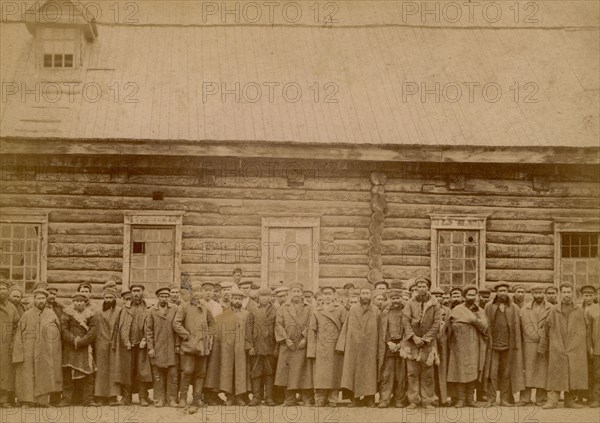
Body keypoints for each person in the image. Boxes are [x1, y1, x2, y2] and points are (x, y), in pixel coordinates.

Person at [539, 283, 589, 409]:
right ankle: (552, 401)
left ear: (573, 294)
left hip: (574, 348)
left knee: (572, 373)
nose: (567, 295)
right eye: (564, 292)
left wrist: (583, 346)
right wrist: (543, 347)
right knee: (555, 372)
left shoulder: (579, 311)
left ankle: (570, 401)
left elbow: (587, 328)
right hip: (557, 346)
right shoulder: (554, 310)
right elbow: (545, 328)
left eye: (569, 292)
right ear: (561, 294)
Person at [12, 288, 62, 407]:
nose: (41, 300)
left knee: (44, 374)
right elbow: (18, 334)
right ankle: (27, 401)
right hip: (28, 350)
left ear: (46, 299)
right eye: (38, 298)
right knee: (27, 375)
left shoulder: (51, 314)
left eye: (43, 298)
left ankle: (42, 401)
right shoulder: (27, 314)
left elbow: (58, 334)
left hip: (45, 351)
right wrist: (19, 353)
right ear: (34, 299)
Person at [204, 286, 251, 406]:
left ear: (242, 300)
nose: (237, 301)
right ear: (231, 299)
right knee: (227, 372)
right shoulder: (224, 313)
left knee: (240, 372)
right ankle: (229, 397)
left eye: (239, 299)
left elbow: (249, 331)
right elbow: (219, 332)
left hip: (241, 349)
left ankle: (239, 397)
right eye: (235, 298)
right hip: (227, 348)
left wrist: (248, 345)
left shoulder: (247, 314)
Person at [400, 277, 442, 410]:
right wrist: (413, 337)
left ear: (428, 287)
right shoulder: (410, 304)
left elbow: (437, 323)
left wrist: (426, 338)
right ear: (416, 288)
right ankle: (413, 400)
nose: (421, 288)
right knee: (412, 373)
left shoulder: (435, 304)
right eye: (419, 286)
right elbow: (406, 321)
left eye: (424, 286)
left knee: (428, 373)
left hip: (428, 344)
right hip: (412, 344)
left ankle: (428, 400)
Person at [173, 281, 216, 407]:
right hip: (188, 346)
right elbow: (176, 324)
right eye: (195, 291)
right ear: (191, 292)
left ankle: (197, 399)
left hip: (202, 347)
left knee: (200, 373)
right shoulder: (184, 307)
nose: (197, 294)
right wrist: (187, 336)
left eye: (199, 291)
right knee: (187, 371)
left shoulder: (205, 307)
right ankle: (183, 398)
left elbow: (212, 323)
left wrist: (208, 336)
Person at [336, 286, 379, 408]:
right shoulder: (353, 309)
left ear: (371, 296)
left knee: (369, 372)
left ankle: (369, 398)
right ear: (360, 296)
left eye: (367, 293)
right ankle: (354, 399)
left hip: (370, 346)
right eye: (363, 293)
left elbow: (380, 328)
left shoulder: (376, 310)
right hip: (354, 346)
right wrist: (341, 345)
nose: (365, 296)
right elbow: (346, 327)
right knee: (352, 372)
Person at [483, 282, 525, 406]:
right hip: (493, 346)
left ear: (508, 292)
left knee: (506, 373)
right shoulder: (489, 307)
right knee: (492, 373)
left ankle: (505, 399)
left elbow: (518, 328)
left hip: (509, 346)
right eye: (500, 291)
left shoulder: (514, 308)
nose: (503, 293)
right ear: (496, 292)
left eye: (505, 291)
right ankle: (491, 399)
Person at [446, 285, 488, 408]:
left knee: (472, 371)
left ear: (476, 296)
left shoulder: (480, 311)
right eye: (469, 295)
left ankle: (470, 399)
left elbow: (485, 327)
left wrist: (473, 320)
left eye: (473, 295)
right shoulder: (457, 309)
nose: (471, 297)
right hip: (458, 345)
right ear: (464, 296)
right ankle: (460, 399)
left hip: (474, 344)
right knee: (460, 371)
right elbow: (449, 328)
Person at [274, 282, 314, 406]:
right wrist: (286, 339)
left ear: (302, 293)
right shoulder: (283, 307)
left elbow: (312, 324)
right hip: (288, 345)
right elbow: (278, 324)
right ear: (290, 293)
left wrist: (305, 338)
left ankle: (307, 398)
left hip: (302, 345)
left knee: (304, 371)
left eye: (298, 291)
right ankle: (290, 399)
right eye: (294, 291)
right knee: (287, 372)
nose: (296, 294)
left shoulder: (309, 307)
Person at [113, 283, 152, 406]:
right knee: (126, 371)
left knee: (142, 371)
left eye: (138, 291)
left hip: (142, 346)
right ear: (131, 293)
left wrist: (145, 340)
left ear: (142, 292)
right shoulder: (124, 309)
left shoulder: (148, 308)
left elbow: (151, 327)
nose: (136, 293)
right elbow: (119, 327)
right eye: (134, 291)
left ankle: (142, 397)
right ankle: (126, 398)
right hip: (128, 346)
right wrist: (125, 341)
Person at [307, 286, 347, 407]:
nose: (328, 296)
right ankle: (320, 398)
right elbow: (312, 330)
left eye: (330, 293)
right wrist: (312, 350)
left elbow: (345, 328)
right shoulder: (317, 310)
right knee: (320, 374)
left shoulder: (340, 309)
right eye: (325, 294)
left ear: (334, 295)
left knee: (334, 373)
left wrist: (341, 345)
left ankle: (333, 398)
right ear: (322, 296)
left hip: (335, 347)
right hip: (321, 347)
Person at [59, 292, 98, 406]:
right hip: (70, 348)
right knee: (68, 373)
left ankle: (88, 399)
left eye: (81, 301)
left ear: (85, 303)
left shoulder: (90, 315)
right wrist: (73, 340)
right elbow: (63, 329)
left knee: (88, 374)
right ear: (73, 302)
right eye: (76, 301)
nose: (79, 303)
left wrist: (82, 341)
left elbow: (93, 330)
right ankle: (66, 399)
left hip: (85, 348)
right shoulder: (66, 314)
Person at [518, 283, 551, 406]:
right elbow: (521, 327)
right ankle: (525, 398)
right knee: (527, 370)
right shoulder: (524, 309)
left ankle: (541, 398)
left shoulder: (551, 308)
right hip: (528, 344)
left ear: (544, 294)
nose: (538, 295)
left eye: (541, 293)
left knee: (542, 371)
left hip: (544, 343)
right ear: (532, 294)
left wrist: (543, 335)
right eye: (536, 293)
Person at [145, 287, 179, 407]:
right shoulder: (152, 311)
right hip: (157, 347)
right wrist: (151, 347)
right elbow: (148, 330)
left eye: (166, 296)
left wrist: (177, 345)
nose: (164, 298)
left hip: (171, 347)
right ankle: (159, 398)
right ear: (158, 297)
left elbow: (178, 328)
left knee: (173, 374)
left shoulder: (174, 309)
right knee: (157, 375)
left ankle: (172, 399)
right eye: (162, 296)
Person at [247, 287, 278, 406]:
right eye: (262, 296)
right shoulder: (253, 310)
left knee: (269, 372)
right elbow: (248, 328)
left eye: (266, 295)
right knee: (256, 372)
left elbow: (278, 329)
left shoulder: (275, 310)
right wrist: (250, 346)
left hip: (270, 347)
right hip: (256, 346)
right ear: (258, 297)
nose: (264, 298)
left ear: (270, 297)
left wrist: (276, 348)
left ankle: (269, 397)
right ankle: (256, 397)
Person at [377, 285, 407, 408]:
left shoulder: (406, 312)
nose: (395, 301)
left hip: (402, 346)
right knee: (387, 374)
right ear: (390, 299)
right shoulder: (384, 313)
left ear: (401, 298)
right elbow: (382, 330)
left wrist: (402, 343)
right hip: (388, 347)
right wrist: (389, 342)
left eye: (398, 298)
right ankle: (384, 399)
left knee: (401, 375)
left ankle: (399, 398)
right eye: (393, 298)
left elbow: (409, 329)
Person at [93, 282, 121, 405]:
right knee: (101, 370)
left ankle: (112, 396)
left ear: (115, 298)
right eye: (106, 298)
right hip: (101, 343)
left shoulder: (120, 311)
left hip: (115, 343)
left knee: (113, 369)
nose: (108, 300)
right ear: (103, 298)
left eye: (111, 298)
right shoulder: (98, 311)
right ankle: (100, 396)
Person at [0, 280, 19, 407]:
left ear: (8, 291)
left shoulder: (12, 308)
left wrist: (13, 342)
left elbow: (16, 326)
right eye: (0, 289)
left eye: (4, 289)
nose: (2, 291)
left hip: (6, 345)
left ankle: (4, 399)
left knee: (6, 372)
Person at [431, 286, 450, 406]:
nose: (438, 299)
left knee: (443, 370)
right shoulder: (428, 309)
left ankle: (444, 397)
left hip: (444, 343)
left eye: (440, 297)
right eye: (435, 296)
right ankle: (433, 398)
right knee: (431, 371)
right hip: (431, 343)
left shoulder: (448, 310)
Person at [585, 286, 600, 408]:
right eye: (599, 293)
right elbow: (588, 332)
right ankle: (597, 398)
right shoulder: (591, 310)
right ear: (596, 296)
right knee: (597, 375)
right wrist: (589, 346)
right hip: (597, 348)